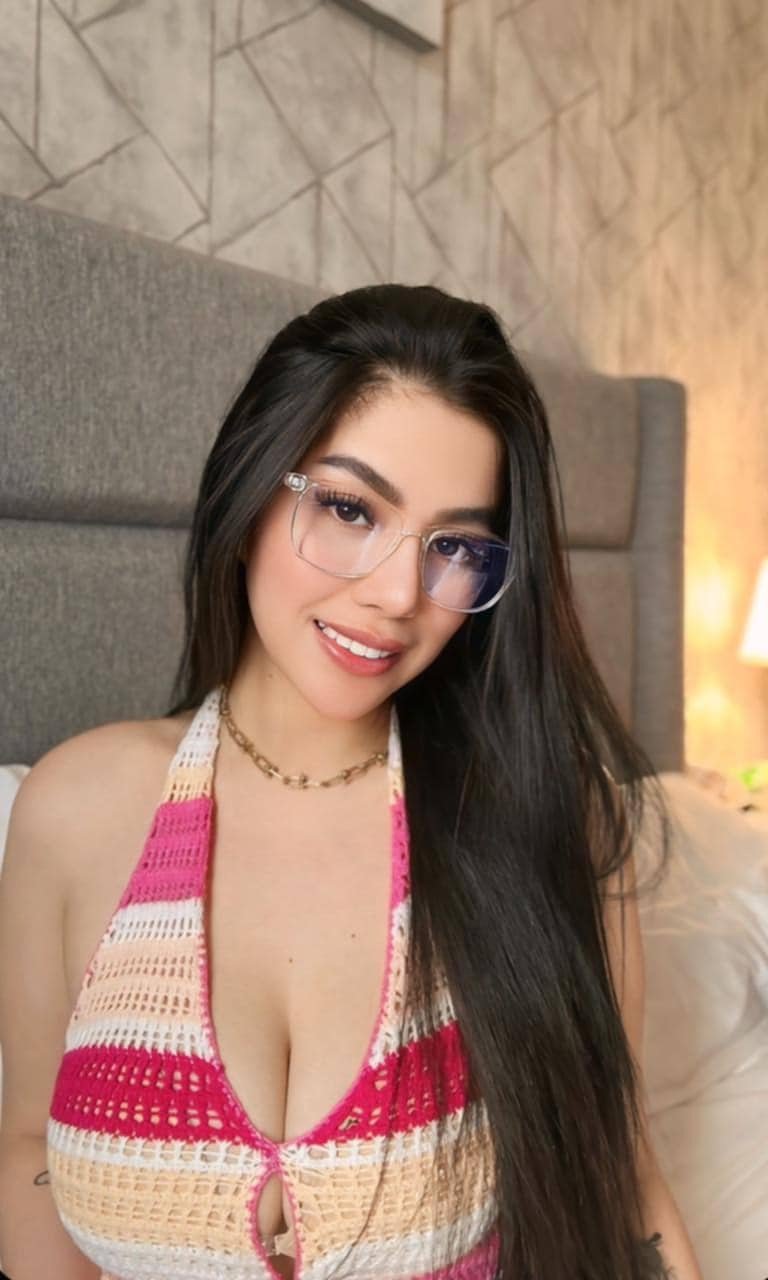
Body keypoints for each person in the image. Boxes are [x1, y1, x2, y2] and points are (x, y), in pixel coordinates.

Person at [0, 284, 703, 1280]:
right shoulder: (75, 810)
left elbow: (622, 1180)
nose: (397, 594)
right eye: (348, 507)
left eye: (455, 547)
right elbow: (27, 1144)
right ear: (251, 487)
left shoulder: (543, 820)